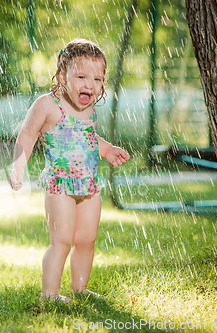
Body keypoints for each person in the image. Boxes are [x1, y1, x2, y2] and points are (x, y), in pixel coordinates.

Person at [9, 39, 130, 302]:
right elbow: (27, 136)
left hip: (89, 185)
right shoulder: (48, 105)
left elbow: (87, 137)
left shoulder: (88, 107)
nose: (90, 85)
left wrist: (107, 150)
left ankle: (80, 289)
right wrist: (18, 167)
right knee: (62, 241)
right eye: (82, 77)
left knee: (87, 239)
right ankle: (50, 293)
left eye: (97, 79)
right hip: (60, 185)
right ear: (63, 76)